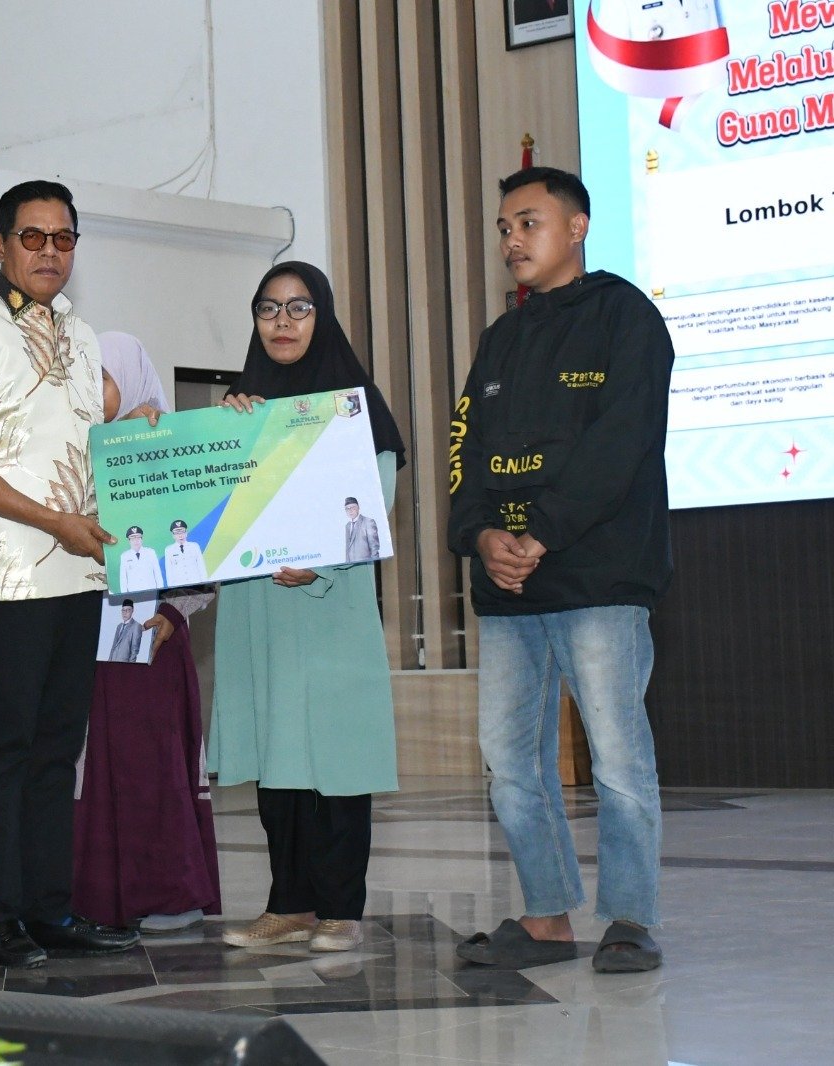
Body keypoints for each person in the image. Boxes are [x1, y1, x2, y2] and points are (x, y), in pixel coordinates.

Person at [449, 167, 672, 974]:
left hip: (598, 579)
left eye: (529, 222)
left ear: (576, 228)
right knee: (512, 762)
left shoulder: (626, 317)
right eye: (504, 227)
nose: (512, 239)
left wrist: (540, 532)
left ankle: (630, 919)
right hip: (509, 588)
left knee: (617, 759)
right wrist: (480, 535)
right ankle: (546, 918)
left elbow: (622, 442)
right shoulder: (499, 339)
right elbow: (466, 450)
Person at [0, 180, 138, 967]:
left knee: (56, 752)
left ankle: (51, 910)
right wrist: (53, 523)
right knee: (4, 751)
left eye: (63, 238)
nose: (50, 251)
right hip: (10, 576)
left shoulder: (81, 334)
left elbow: (82, 444)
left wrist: (140, 433)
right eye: (33, 237)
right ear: (1, 245)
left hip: (81, 573)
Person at [211, 261, 405, 954]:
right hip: (262, 610)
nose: (282, 322)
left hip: (329, 606)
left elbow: (376, 503)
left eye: (299, 308)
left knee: (337, 760)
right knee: (278, 759)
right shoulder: (242, 412)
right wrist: (225, 431)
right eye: (268, 309)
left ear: (321, 316)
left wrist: (320, 560)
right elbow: (210, 505)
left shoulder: (356, 409)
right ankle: (288, 904)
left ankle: (340, 909)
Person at [74, 334, 220, 933]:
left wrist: (176, 613)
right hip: (89, 641)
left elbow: (204, 548)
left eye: (104, 379)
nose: (94, 392)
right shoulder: (71, 450)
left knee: (151, 766)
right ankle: (95, 896)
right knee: (93, 767)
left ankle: (167, 893)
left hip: (153, 641)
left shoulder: (172, 450)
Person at [118, 526, 162, 593]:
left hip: (151, 589)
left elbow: (157, 573)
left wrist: (160, 590)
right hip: (134, 592)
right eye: (132, 538)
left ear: (142, 539)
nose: (136, 541)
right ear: (129, 541)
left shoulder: (150, 552)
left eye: (138, 538)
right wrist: (124, 594)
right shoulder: (124, 556)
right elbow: (123, 579)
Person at [163, 519, 208, 585]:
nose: (180, 535)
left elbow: (201, 567)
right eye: (177, 533)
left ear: (186, 533)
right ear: (173, 535)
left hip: (196, 583)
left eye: (182, 532)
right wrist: (171, 588)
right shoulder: (169, 550)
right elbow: (169, 572)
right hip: (179, 585)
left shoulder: (194, 546)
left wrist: (205, 584)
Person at [343, 498, 380, 563]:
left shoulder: (368, 522)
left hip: (366, 565)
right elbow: (348, 549)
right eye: (347, 508)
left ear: (358, 507)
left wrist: (374, 564)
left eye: (353, 507)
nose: (350, 511)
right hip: (351, 566)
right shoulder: (348, 526)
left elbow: (374, 548)